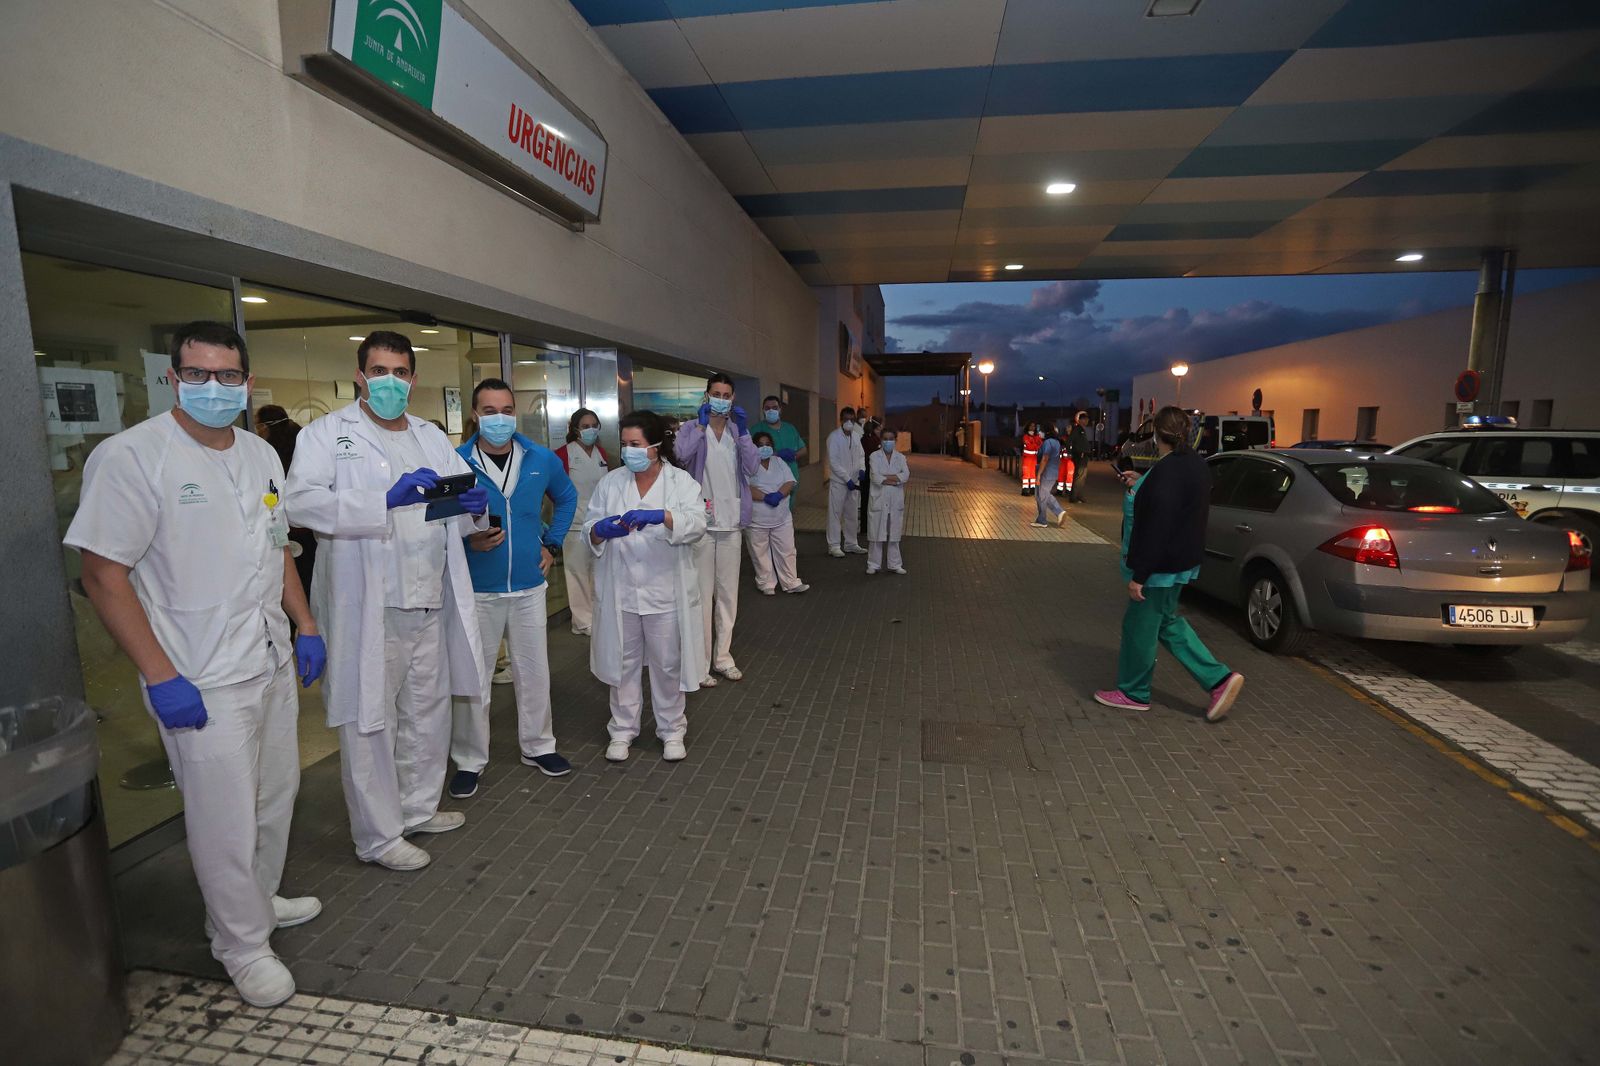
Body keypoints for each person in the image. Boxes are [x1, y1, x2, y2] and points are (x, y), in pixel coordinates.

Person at [66, 321, 325, 1008]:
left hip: (267, 657)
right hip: (198, 676)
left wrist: (304, 624)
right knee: (223, 820)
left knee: (275, 797)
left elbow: (278, 550)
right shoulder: (133, 457)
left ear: (245, 382)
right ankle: (240, 944)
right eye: (199, 375)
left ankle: (260, 901)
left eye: (229, 376)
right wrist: (161, 675)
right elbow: (102, 575)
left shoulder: (260, 455)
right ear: (173, 378)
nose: (216, 388)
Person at [284, 330, 491, 873]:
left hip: (430, 596)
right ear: (360, 375)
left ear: (414, 380)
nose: (391, 382)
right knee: (370, 720)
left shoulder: (430, 435)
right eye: (380, 371)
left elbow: (456, 508)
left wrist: (474, 507)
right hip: (368, 605)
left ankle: (418, 808)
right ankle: (377, 836)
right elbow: (300, 503)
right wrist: (383, 499)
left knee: (427, 711)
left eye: (401, 372)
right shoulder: (327, 435)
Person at [448, 380, 580, 799]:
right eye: (489, 410)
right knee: (474, 679)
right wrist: (468, 540)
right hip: (478, 588)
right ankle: (469, 759)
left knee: (534, 671)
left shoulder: (539, 458)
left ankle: (539, 746)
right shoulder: (455, 461)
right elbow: (439, 519)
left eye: (506, 409)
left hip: (528, 585)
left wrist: (553, 543)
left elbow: (567, 497)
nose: (499, 418)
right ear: (474, 414)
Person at [1094, 406, 1244, 721]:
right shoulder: (1194, 465)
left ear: (1156, 435)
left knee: (1138, 627)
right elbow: (1176, 503)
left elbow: (1157, 526)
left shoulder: (1166, 473)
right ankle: (1218, 680)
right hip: (1182, 562)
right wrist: (1141, 481)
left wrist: (1140, 575)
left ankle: (1134, 692)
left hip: (1159, 568)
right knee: (1166, 622)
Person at [584, 411, 707, 761]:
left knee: (667, 664)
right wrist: (598, 530)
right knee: (623, 664)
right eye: (624, 444)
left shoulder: (680, 482)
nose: (628, 451)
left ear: (655, 446)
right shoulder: (611, 483)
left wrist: (662, 516)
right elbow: (589, 525)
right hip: (622, 589)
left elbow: (698, 523)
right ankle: (622, 730)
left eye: (635, 444)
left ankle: (671, 730)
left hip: (664, 591)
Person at [673, 373, 758, 685]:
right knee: (701, 595)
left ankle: (723, 657)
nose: (722, 398)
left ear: (733, 398)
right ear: (706, 395)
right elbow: (682, 456)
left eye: (727, 394)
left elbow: (752, 468)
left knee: (727, 595)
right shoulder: (693, 428)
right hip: (702, 526)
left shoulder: (737, 431)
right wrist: (698, 426)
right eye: (716, 393)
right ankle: (700, 664)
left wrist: (746, 434)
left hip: (731, 524)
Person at [555, 408, 610, 636]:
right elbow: (555, 488)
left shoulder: (601, 453)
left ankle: (597, 616)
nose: (591, 430)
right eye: (585, 426)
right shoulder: (563, 454)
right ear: (575, 429)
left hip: (598, 523)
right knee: (576, 572)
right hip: (575, 523)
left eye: (594, 425)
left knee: (597, 572)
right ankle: (582, 621)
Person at [256, 404, 317, 597]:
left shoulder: (267, 453)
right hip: (308, 530)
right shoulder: (302, 441)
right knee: (305, 583)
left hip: (284, 529)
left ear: (264, 427)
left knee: (285, 584)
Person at [746, 430, 809, 595]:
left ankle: (790, 582)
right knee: (760, 552)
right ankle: (766, 583)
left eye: (767, 445)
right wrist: (766, 497)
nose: (764, 448)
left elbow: (790, 481)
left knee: (787, 549)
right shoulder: (747, 464)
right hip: (757, 519)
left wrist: (780, 494)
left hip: (781, 516)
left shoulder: (779, 461)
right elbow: (745, 488)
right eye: (760, 445)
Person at [866, 427, 910, 574]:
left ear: (895, 440)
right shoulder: (874, 456)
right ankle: (873, 564)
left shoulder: (901, 458)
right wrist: (895, 478)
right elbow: (875, 476)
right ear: (881, 440)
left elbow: (905, 476)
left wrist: (886, 478)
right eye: (885, 438)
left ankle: (895, 564)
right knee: (876, 532)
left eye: (891, 438)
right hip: (879, 498)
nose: (888, 441)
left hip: (895, 500)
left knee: (894, 533)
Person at [825, 407, 866, 557]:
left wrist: (862, 469)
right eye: (846, 419)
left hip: (854, 483)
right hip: (839, 483)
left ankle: (851, 543)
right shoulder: (833, 437)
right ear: (840, 420)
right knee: (835, 514)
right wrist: (846, 478)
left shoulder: (855, 436)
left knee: (852, 514)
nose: (849, 422)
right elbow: (834, 462)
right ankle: (834, 545)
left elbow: (861, 455)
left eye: (852, 419)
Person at [759, 394, 807, 510]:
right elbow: (750, 454)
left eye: (775, 408)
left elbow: (804, 449)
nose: (771, 411)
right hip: (767, 483)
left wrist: (794, 455)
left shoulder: (790, 428)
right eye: (767, 408)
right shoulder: (757, 429)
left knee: (788, 517)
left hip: (790, 480)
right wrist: (777, 454)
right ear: (763, 410)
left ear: (780, 410)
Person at [1032, 426, 1068, 528]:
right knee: (1040, 495)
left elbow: (1045, 458)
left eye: (1041, 430)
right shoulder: (1056, 442)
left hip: (1046, 472)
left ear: (1046, 432)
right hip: (1053, 471)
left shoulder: (1048, 442)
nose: (1039, 433)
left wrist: (1039, 475)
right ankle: (1041, 519)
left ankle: (1057, 513)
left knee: (1043, 495)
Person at [1067, 411, 1091, 503]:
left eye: (1087, 419)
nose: (1087, 421)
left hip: (1084, 456)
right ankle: (1073, 497)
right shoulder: (1077, 429)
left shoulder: (1082, 429)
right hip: (1079, 456)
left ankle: (1079, 495)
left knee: (1082, 477)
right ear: (1080, 420)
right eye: (1085, 419)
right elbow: (1069, 441)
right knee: (1079, 476)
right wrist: (1069, 452)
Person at [1020, 422, 1043, 496]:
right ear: (1028, 427)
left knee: (1033, 474)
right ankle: (1025, 490)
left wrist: (1035, 445)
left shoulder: (1036, 437)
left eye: (1034, 426)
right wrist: (1036, 446)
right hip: (1027, 458)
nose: (1033, 428)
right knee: (1026, 474)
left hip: (1034, 459)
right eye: (1031, 426)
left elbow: (1041, 444)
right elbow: (1029, 446)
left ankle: (1032, 489)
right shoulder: (1025, 437)